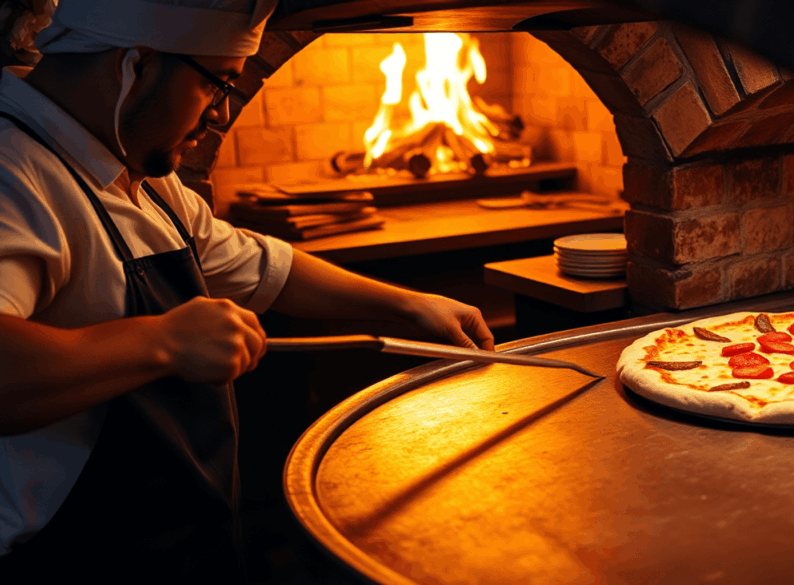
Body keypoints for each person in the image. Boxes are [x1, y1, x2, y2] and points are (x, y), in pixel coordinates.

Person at [0, 0, 493, 581]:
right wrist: (162, 342)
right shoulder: (15, 171)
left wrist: (409, 305)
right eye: (217, 85)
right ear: (136, 65)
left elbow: (255, 262)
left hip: (174, 542)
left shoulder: (131, 170)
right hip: (70, 559)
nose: (219, 114)